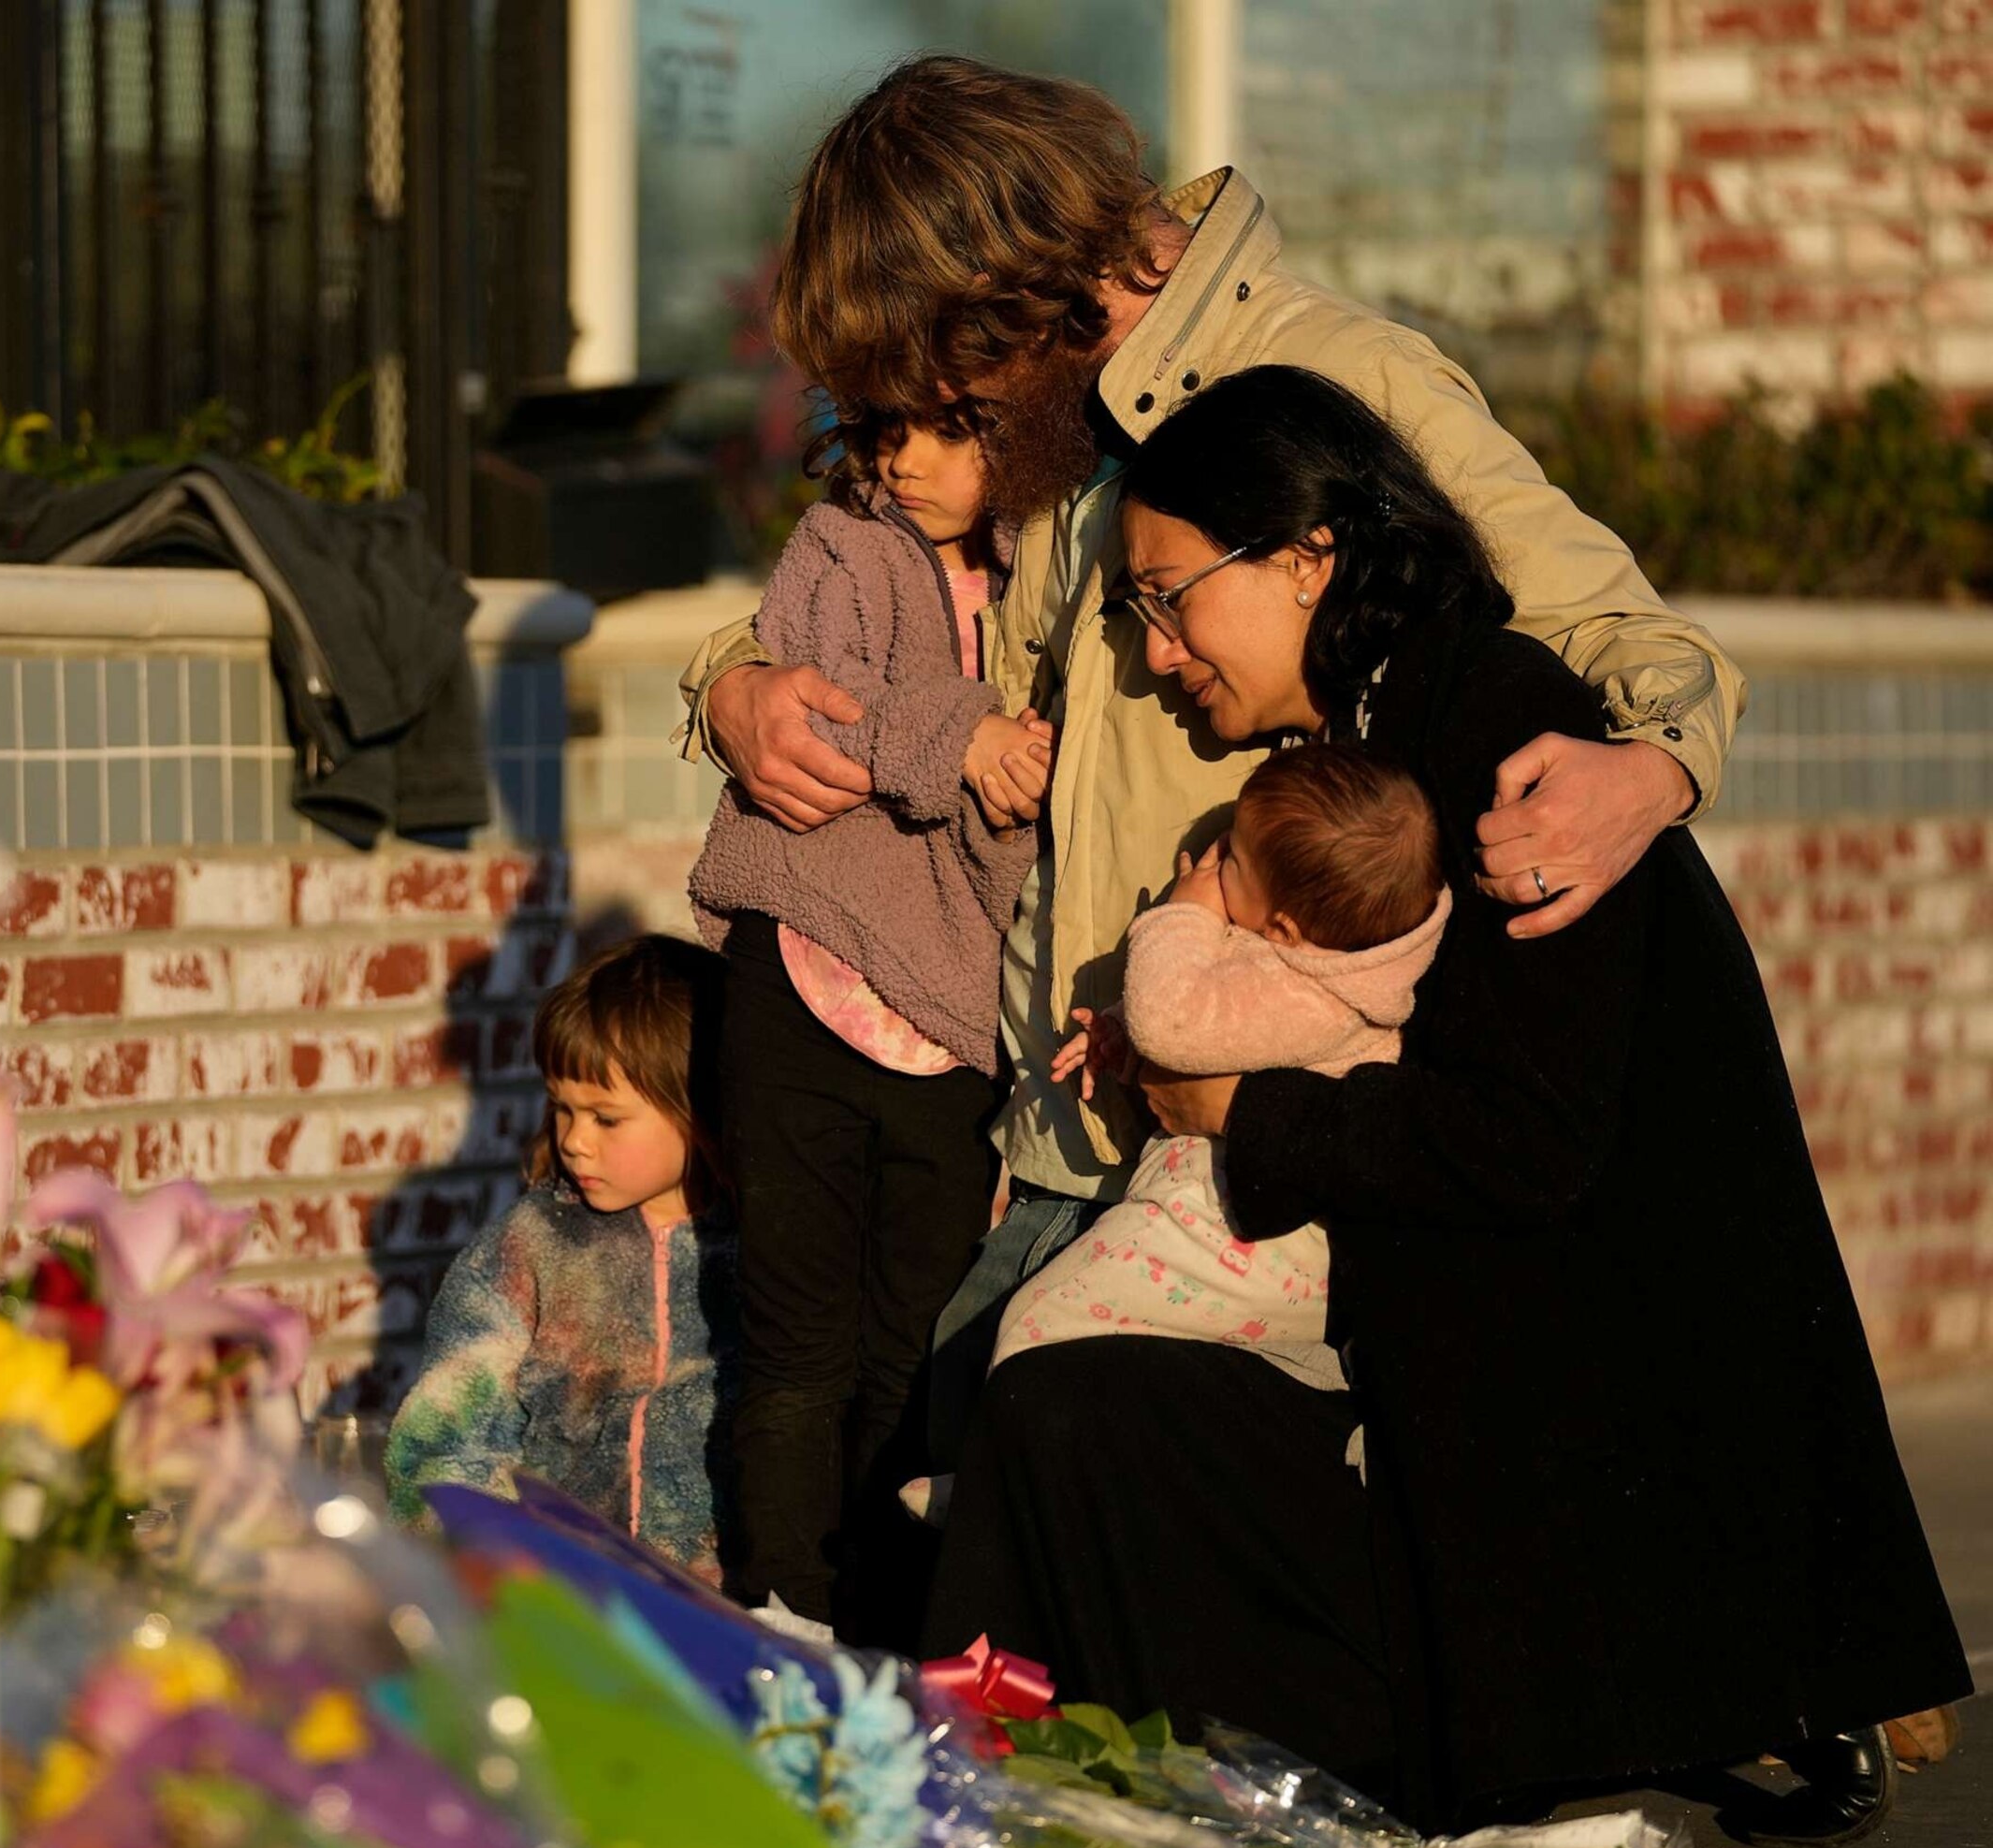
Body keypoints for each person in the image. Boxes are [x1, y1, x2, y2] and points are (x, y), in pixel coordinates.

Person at [923, 365, 1972, 1845]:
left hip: (1554, 1454)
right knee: (1059, 1409)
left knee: (1074, 1414)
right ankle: (1006, 1788)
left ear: (1304, 556)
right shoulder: (1387, 731)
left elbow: (1525, 1140)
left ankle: (997, 1795)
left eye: (1168, 599)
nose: (1157, 657)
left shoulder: (1497, 735)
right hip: (1473, 1386)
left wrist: (1233, 1111)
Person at [671, 56, 1747, 1474]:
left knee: (1020, 1535)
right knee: (943, 1510)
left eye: (946, 375)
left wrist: (1658, 765)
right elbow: (869, 590)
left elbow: (1617, 628)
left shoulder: (1334, 379)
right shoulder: (1055, 422)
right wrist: (731, 684)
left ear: (1018, 287)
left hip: (1239, 1140)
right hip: (1060, 1118)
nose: (932, 416)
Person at [685, 407, 1053, 1639]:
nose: (906, 458)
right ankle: (784, 1626)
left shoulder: (1066, 561)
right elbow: (821, 703)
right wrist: (968, 736)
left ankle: (892, 1638)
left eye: (951, 431)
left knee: (917, 1345)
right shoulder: (843, 539)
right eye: (888, 429)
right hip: (805, 969)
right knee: (796, 1345)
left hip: (961, 1018)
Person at [992, 745, 1448, 1389]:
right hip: (1221, 1226)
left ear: (1285, 928)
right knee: (1104, 1364)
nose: (1211, 861)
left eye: (1230, 855)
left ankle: (988, 1485)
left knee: (1038, 1326)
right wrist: (1121, 1039)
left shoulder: (1316, 997)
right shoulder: (1305, 964)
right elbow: (1207, 1023)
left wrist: (1185, 913)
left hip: (1240, 1238)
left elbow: (1175, 1022)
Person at [383, 936, 735, 1586]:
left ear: (700, 1108)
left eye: (607, 1118)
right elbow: (444, 1439)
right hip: (558, 1603)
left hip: (727, 1617)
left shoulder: (764, 1252)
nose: (574, 1141)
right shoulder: (528, 1247)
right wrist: (486, 1569)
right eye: (563, 1109)